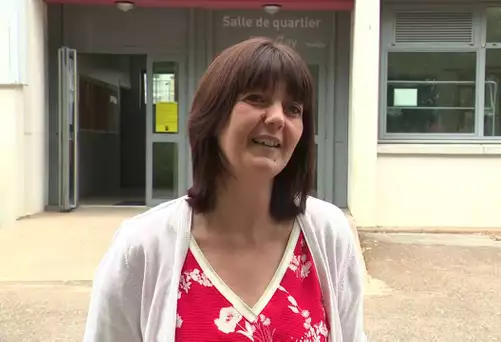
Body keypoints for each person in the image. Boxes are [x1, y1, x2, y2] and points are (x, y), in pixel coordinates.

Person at [83, 37, 367, 341]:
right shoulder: (141, 248)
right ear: (213, 116)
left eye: (293, 108)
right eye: (257, 98)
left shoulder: (328, 235)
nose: (277, 118)